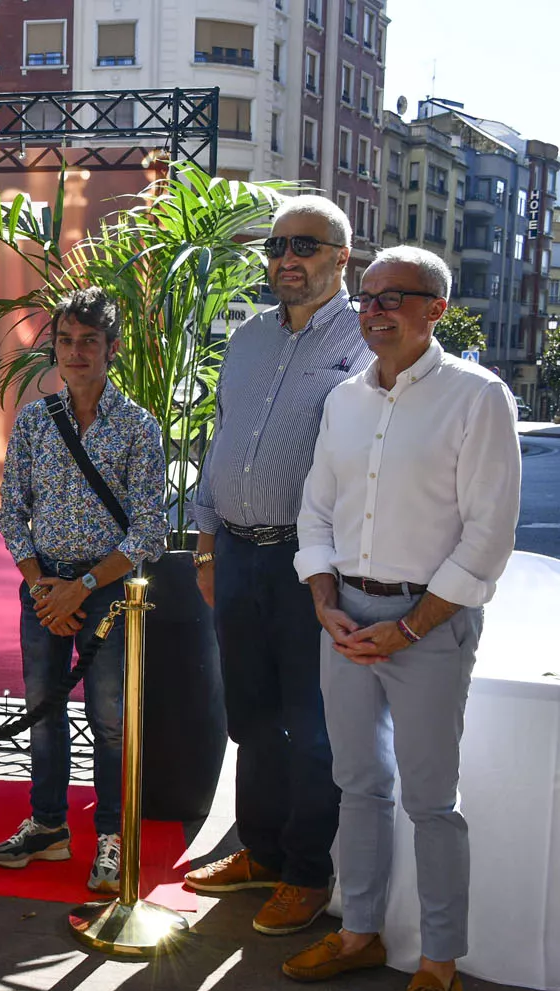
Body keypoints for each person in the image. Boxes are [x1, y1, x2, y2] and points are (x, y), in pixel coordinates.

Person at [282, 247, 520, 991]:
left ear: (435, 311)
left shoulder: (478, 397)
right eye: (368, 295)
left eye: (394, 297)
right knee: (357, 785)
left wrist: (411, 628)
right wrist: (324, 602)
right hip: (344, 620)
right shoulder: (347, 400)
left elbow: (488, 535)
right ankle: (358, 933)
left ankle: (441, 964)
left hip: (430, 628)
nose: (374, 308)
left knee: (431, 802)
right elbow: (316, 509)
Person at [184, 195, 373, 934]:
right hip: (233, 552)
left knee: (312, 722)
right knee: (252, 715)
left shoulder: (362, 341)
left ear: (340, 258)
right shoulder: (250, 337)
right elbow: (222, 436)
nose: (286, 260)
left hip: (312, 564)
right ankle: (258, 851)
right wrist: (205, 543)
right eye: (277, 247)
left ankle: (306, 870)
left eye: (305, 247)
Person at [0, 287, 166, 892]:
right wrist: (45, 589)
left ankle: (111, 837)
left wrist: (82, 588)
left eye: (89, 341)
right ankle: (48, 827)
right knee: (43, 713)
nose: (76, 352)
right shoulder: (37, 420)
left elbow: (149, 529)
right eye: (65, 341)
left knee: (110, 720)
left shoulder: (139, 426)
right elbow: (11, 511)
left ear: (111, 349)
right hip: (43, 592)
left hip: (109, 593)